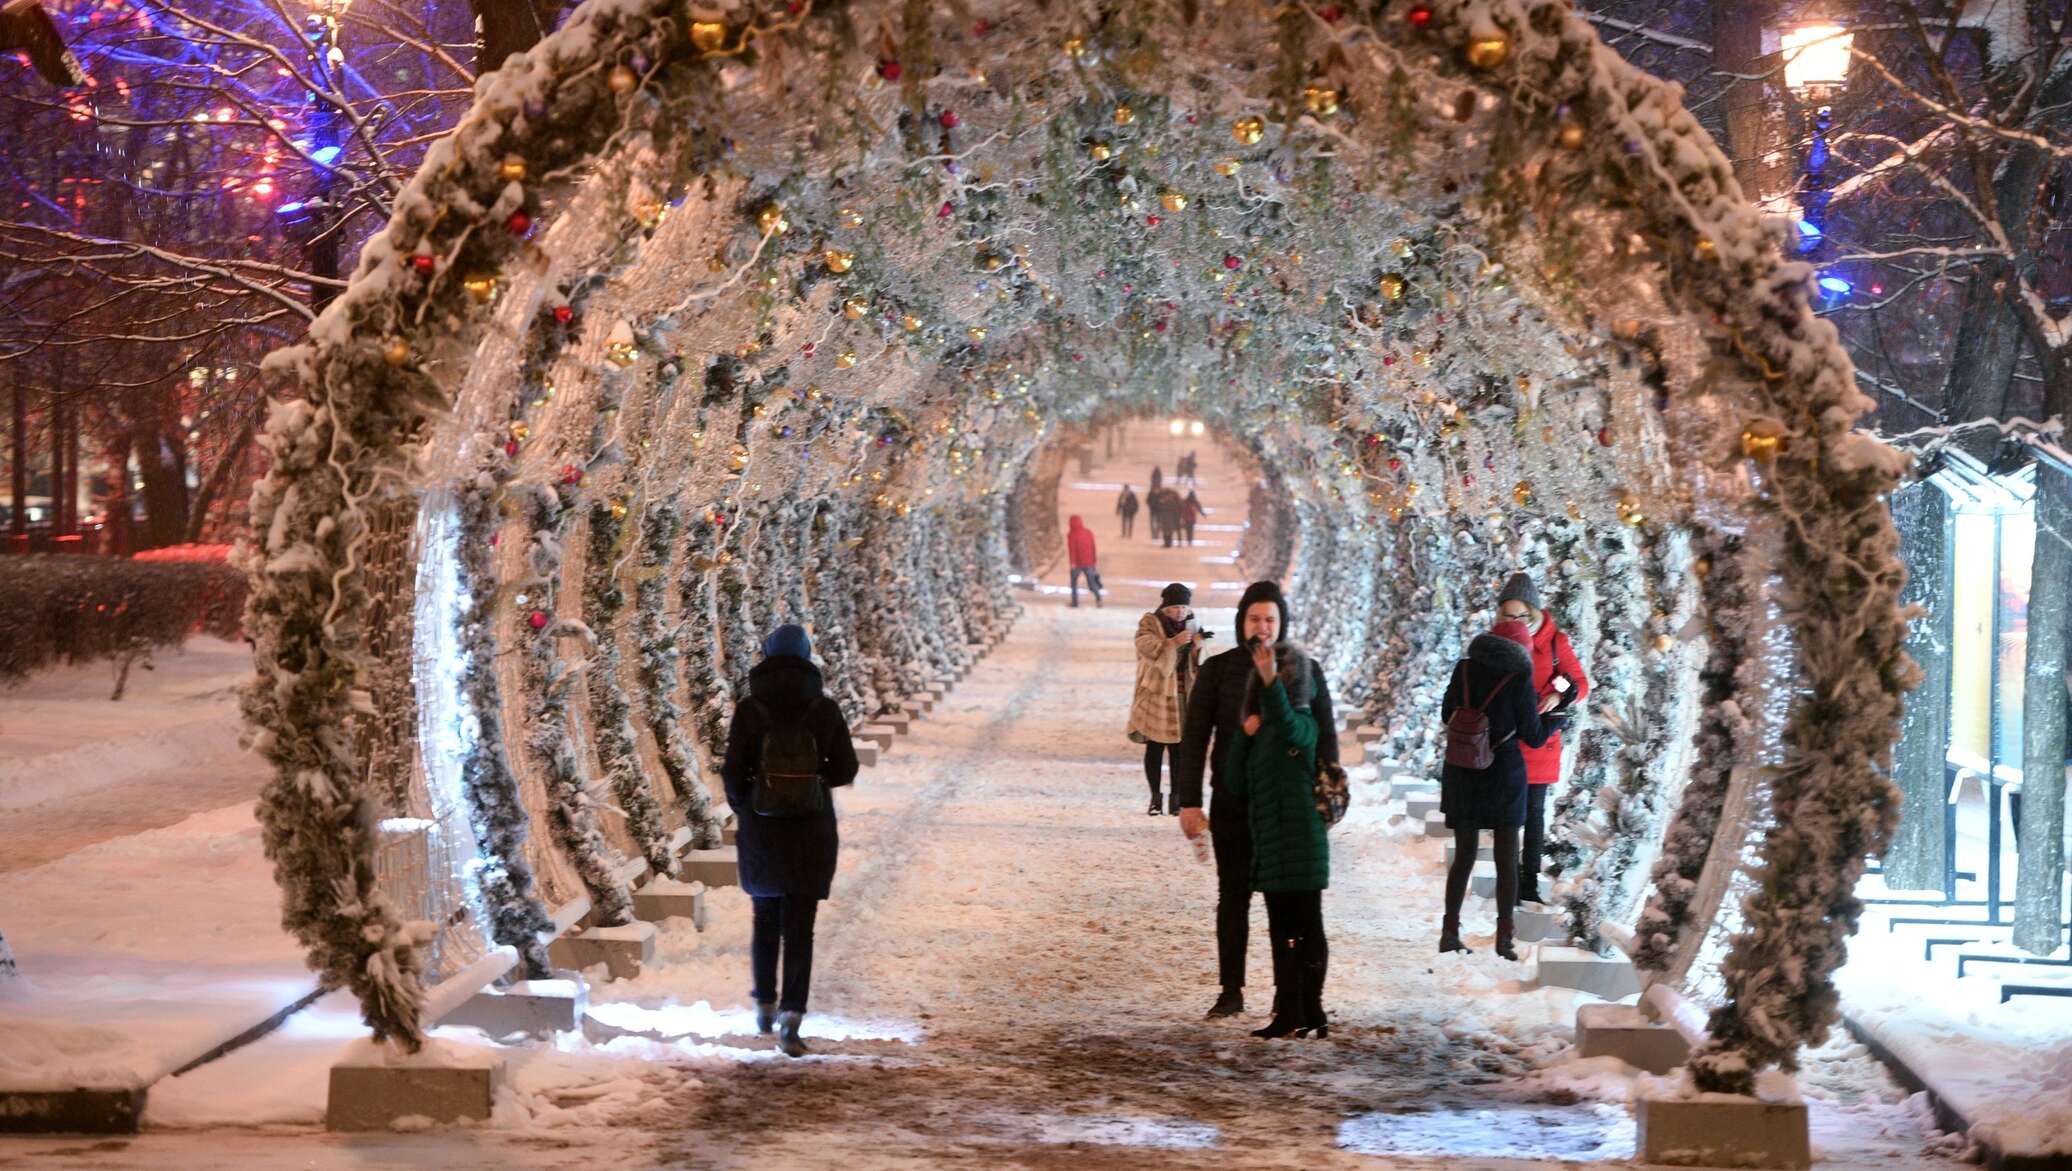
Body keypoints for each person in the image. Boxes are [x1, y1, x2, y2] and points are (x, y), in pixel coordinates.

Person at [1176, 580, 1339, 1019]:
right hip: (1233, 802)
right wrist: (1188, 801)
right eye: (1254, 618)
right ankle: (1231, 989)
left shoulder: (1306, 670)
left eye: (1270, 619)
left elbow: (1326, 738)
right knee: (1233, 897)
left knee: (1282, 904)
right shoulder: (1219, 670)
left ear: (1282, 623)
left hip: (1288, 809)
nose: (1262, 627)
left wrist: (1328, 794)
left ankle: (1286, 997)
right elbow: (1194, 738)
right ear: (1241, 621)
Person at [720, 624, 860, 1057]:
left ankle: (764, 1002)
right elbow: (846, 769)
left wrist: (748, 804)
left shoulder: (749, 709)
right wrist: (813, 783)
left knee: (765, 918)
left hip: (762, 829)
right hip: (811, 828)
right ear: (807, 658)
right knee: (801, 926)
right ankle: (792, 1016)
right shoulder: (824, 709)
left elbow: (732, 770)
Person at [1224, 618, 1331, 1039]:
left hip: (1301, 847)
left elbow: (1288, 723)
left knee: (1307, 930)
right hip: (1271, 847)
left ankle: (1313, 1010)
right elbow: (1235, 782)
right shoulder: (1263, 734)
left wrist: (1269, 685)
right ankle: (1290, 1011)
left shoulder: (1303, 725)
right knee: (1281, 934)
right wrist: (1242, 735)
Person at [1438, 618, 1563, 961]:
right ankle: (1504, 938)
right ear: (1521, 650)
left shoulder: (1464, 668)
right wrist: (1557, 720)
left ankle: (1449, 931)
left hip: (1461, 771)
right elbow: (1533, 736)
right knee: (1507, 857)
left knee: (1463, 855)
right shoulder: (1519, 677)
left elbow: (1448, 713)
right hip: (1503, 774)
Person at [1497, 573, 1589, 906]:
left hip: (1538, 740)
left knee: (1534, 815)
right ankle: (1506, 881)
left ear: (1534, 612)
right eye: (1508, 616)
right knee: (1506, 816)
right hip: (1505, 740)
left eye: (1521, 615)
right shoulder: (1497, 641)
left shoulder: (1554, 642)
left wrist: (1555, 694)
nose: (1515, 622)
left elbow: (1577, 681)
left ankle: (1528, 882)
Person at [1129, 583, 1204, 816]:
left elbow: (1201, 660)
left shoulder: (1194, 625)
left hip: (1182, 694)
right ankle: (1155, 797)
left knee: (1179, 750)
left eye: (1183, 606)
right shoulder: (1150, 623)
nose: (1180, 612)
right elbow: (1145, 648)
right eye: (1175, 607)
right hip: (1156, 694)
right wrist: (1172, 643)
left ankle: (1176, 799)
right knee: (1155, 747)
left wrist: (1197, 649)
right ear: (1165, 607)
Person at [1066, 514, 1102, 608]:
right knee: (1092, 582)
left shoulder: (1071, 535)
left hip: (1077, 563)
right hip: (1089, 562)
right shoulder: (1088, 532)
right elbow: (1093, 547)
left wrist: (1072, 563)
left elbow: (1072, 550)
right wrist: (1094, 561)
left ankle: (1075, 602)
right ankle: (1098, 598)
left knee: (1074, 583)